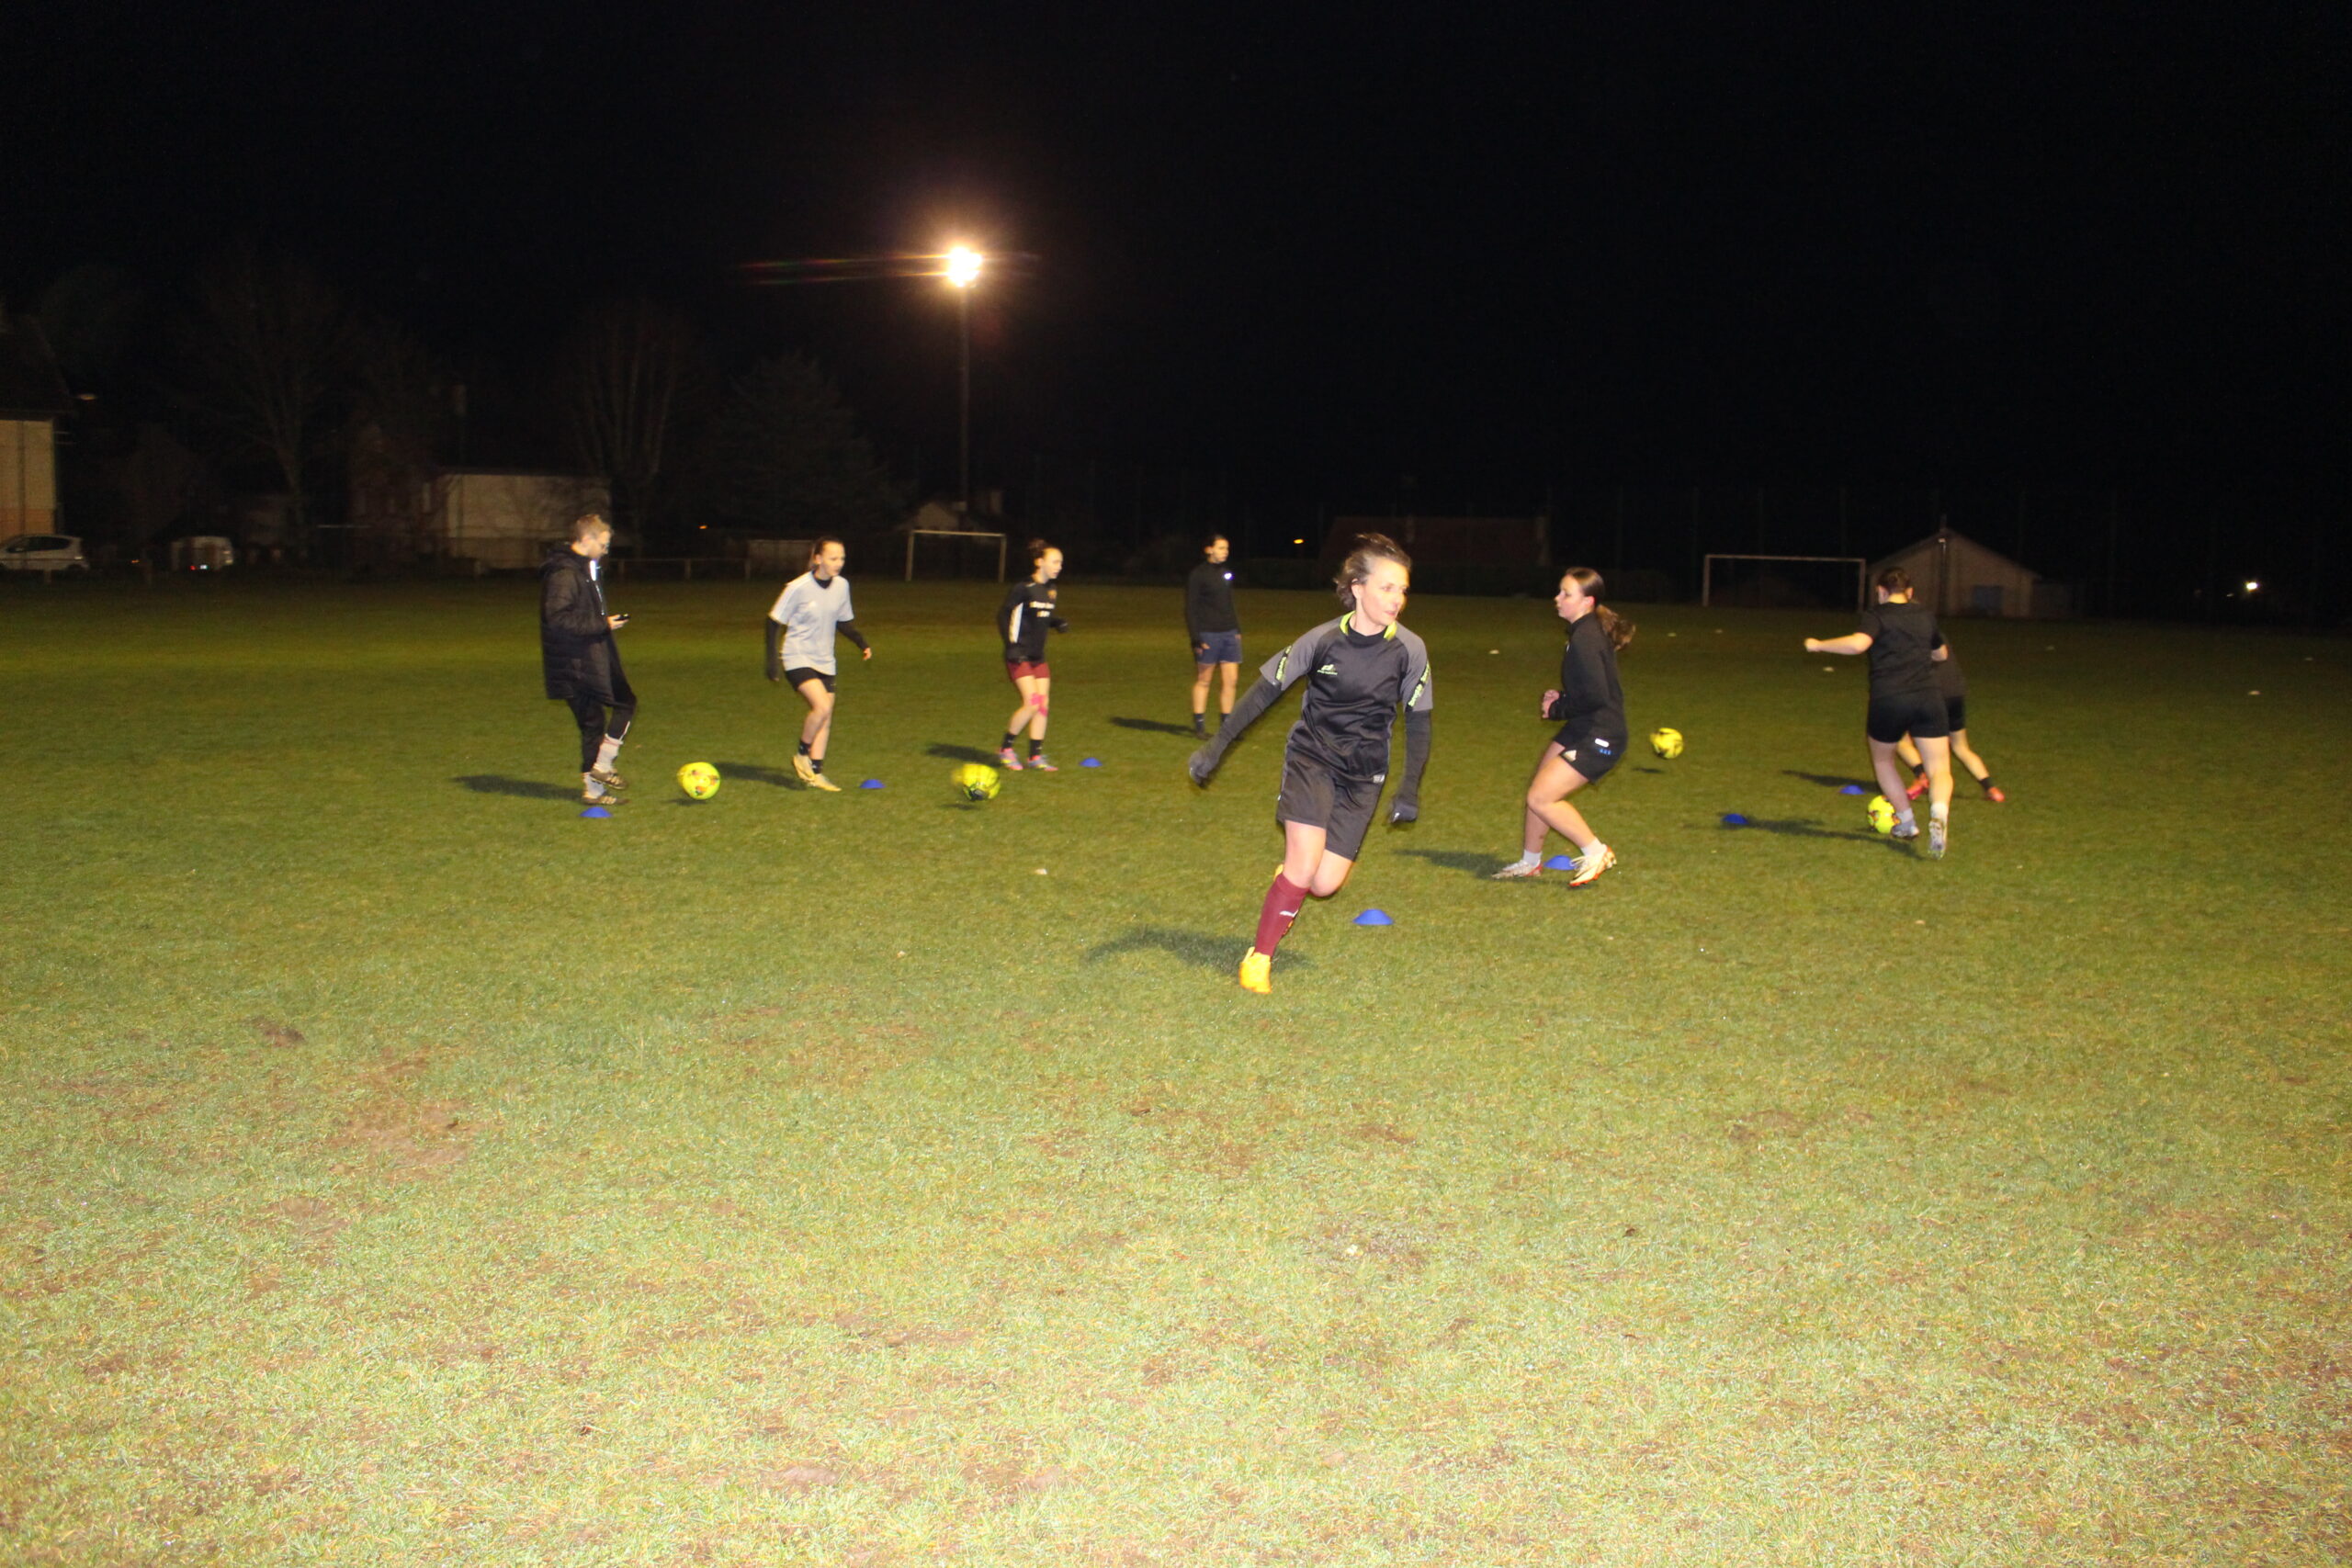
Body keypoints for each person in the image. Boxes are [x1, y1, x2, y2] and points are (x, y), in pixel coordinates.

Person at [1189, 534, 1433, 994]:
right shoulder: (1321, 640)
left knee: (1324, 884)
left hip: (1364, 775)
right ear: (1357, 588)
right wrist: (1215, 747)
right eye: (1386, 587)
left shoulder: (1410, 650)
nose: (1397, 599)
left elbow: (1419, 723)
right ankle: (1260, 956)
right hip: (1312, 758)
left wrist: (1409, 789)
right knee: (1303, 867)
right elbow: (1263, 693)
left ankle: (1291, 879)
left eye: (1402, 589)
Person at [1491, 568, 1633, 884]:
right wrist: (1564, 698)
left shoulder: (1586, 637)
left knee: (1542, 797)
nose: (1558, 598)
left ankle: (1596, 851)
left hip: (1600, 734)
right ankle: (1530, 862)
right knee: (1539, 788)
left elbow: (1597, 696)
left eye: (1566, 594)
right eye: (1560, 591)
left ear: (1587, 601)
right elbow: (1591, 688)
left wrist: (1557, 708)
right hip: (1584, 726)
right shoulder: (1583, 632)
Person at [1804, 568, 1954, 857]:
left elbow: (1858, 644)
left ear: (1881, 591)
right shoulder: (1925, 615)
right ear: (1910, 592)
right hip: (1928, 697)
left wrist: (1819, 645)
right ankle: (1939, 813)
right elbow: (1941, 654)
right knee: (1939, 768)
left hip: (1890, 699)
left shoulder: (1877, 614)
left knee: (1884, 760)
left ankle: (1907, 823)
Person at [540, 512, 636, 806]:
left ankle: (595, 786)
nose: (606, 551)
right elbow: (557, 618)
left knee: (599, 719)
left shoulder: (585, 568)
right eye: (603, 545)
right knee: (614, 709)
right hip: (574, 661)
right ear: (586, 539)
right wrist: (602, 624)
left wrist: (603, 624)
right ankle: (600, 772)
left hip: (587, 656)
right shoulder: (565, 574)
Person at [764, 536, 871, 793]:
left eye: (842, 558)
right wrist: (771, 662)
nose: (839, 563)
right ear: (818, 559)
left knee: (826, 717)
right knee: (821, 706)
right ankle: (802, 754)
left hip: (825, 659)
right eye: (833, 558)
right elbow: (773, 622)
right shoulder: (798, 587)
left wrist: (861, 643)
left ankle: (816, 774)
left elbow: (843, 621)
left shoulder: (842, 586)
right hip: (797, 656)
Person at [1898, 640, 2004, 802]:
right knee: (1960, 746)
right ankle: (1991, 789)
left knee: (1899, 739)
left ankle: (1922, 776)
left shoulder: (1908, 636)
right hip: (1955, 694)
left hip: (1931, 694)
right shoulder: (1935, 633)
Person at [996, 539, 1069, 772]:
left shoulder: (1051, 590)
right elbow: (1004, 616)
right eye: (1054, 562)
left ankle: (1035, 756)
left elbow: (1040, 617)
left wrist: (1056, 622)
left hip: (1038, 656)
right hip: (1019, 654)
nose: (1059, 567)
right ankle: (1005, 749)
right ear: (1039, 562)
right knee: (1032, 703)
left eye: (1061, 563)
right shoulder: (1023, 588)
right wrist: (1011, 646)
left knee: (1043, 704)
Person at [1185, 534, 1242, 737]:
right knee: (1204, 680)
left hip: (1229, 633)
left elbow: (1228, 603)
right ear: (1209, 550)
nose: (1225, 552)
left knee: (1231, 681)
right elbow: (1190, 608)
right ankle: (1199, 726)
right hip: (1208, 634)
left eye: (1226, 548)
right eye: (1220, 548)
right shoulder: (1198, 575)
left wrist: (1236, 630)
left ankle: (1227, 728)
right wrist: (1196, 638)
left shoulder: (1225, 572)